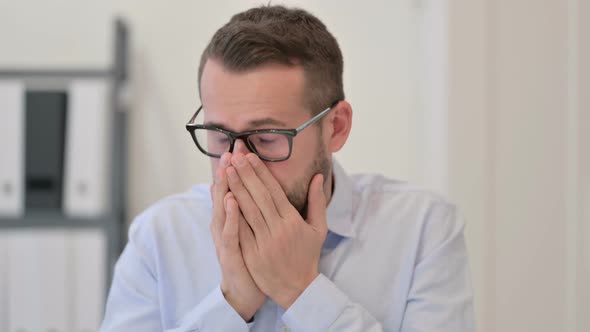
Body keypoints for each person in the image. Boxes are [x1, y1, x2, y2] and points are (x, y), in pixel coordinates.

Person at [100, 5, 474, 332]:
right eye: (217, 135)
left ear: (336, 127)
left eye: (265, 138)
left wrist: (301, 291)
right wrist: (232, 303)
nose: (235, 164)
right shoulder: (159, 237)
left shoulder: (423, 229)